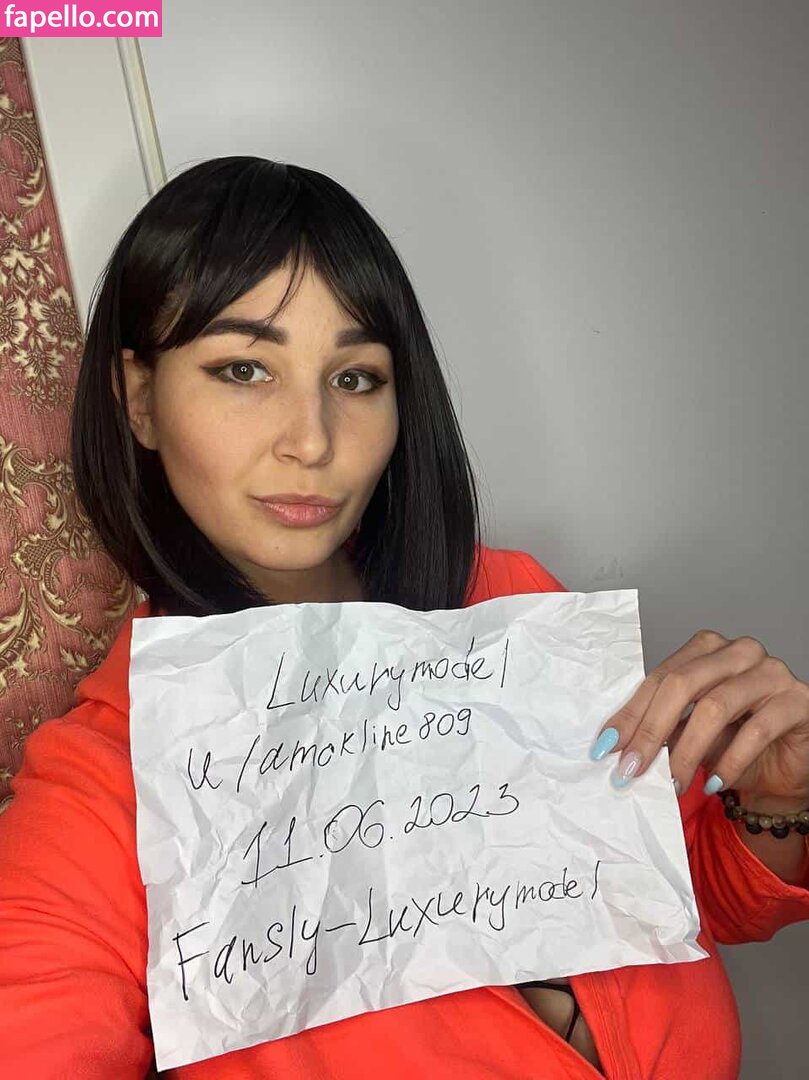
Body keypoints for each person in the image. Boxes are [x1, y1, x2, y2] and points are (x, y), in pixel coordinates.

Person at [0, 156, 807, 1080]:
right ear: (141, 400)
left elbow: (689, 897)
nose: (311, 440)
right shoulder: (107, 783)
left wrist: (777, 801)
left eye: (354, 378)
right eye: (244, 369)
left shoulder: (510, 604)